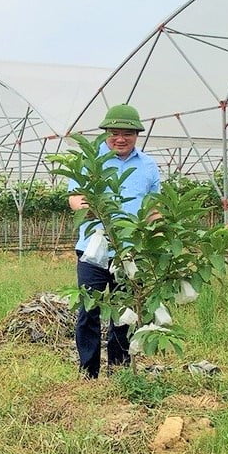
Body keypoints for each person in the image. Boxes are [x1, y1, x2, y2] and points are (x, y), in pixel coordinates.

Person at [68, 104, 160, 379]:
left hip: (131, 252)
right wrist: (95, 208)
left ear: (137, 135)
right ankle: (88, 372)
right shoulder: (91, 161)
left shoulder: (148, 166)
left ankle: (118, 370)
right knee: (89, 309)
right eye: (115, 133)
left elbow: (155, 207)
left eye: (127, 133)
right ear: (106, 133)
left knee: (125, 312)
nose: (121, 138)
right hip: (92, 250)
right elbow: (75, 199)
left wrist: (156, 232)